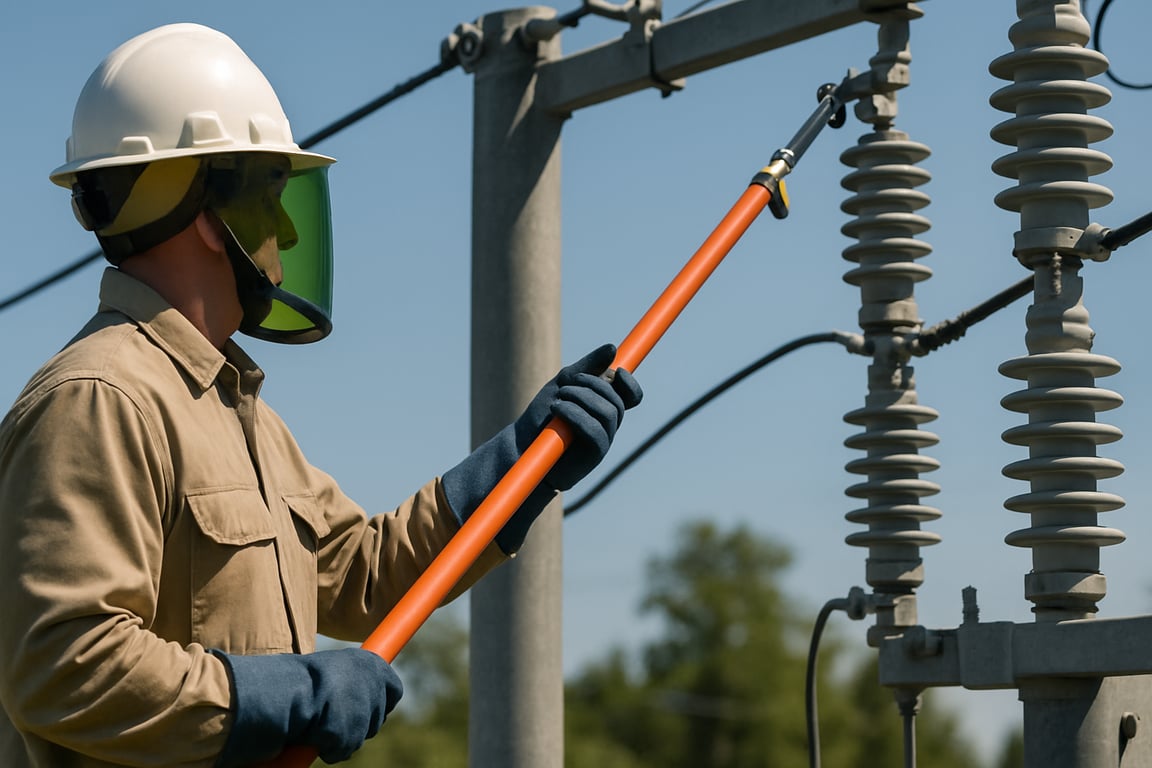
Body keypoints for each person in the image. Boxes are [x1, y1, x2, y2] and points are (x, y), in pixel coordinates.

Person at [0, 23, 642, 768]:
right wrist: (288, 695)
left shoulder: (241, 416)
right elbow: (62, 665)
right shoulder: (98, 400)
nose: (287, 231)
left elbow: (362, 574)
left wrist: (520, 467)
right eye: (271, 194)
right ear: (207, 209)